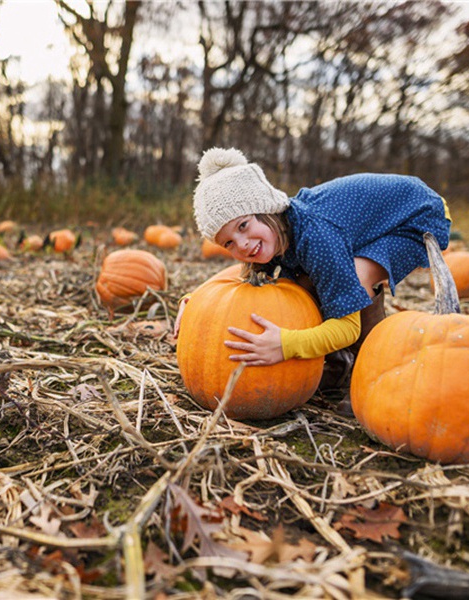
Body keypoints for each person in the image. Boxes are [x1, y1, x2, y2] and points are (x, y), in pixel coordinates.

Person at [174, 147, 451, 412]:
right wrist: (196, 300)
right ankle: (336, 362)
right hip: (364, 223)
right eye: (229, 243)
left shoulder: (315, 237)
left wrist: (287, 345)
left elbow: (347, 328)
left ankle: (374, 376)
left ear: (266, 208)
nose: (243, 245)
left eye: (243, 226)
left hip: (415, 217)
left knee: (352, 277)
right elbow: (242, 279)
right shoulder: (271, 234)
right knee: (305, 282)